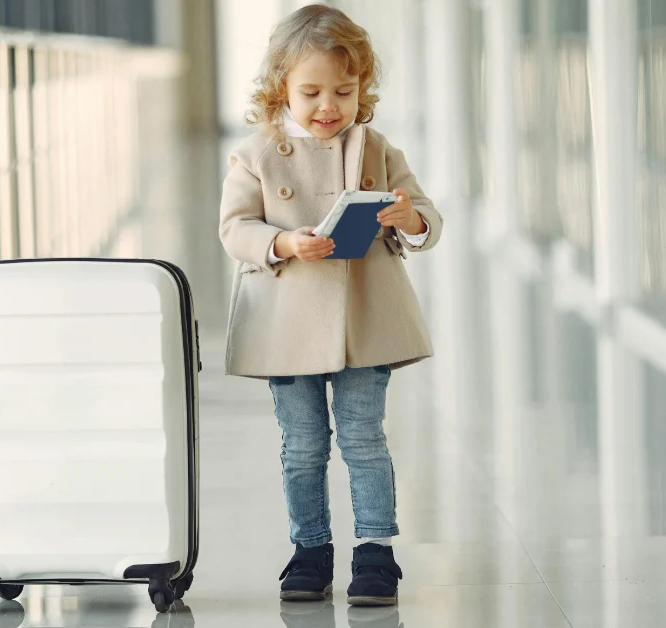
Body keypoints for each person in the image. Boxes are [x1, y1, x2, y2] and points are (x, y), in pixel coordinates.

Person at [218, 3, 441, 608]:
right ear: (279, 90)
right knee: (304, 444)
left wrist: (409, 218)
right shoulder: (256, 154)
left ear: (361, 89)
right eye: (311, 91)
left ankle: (376, 551)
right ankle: (310, 549)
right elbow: (234, 228)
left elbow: (426, 215)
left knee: (364, 437)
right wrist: (283, 241)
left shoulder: (375, 147)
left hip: (363, 319)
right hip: (288, 322)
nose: (328, 107)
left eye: (343, 91)